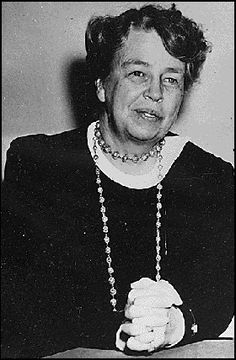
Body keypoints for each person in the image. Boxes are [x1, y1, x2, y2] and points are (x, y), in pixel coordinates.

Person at [1, 3, 234, 358]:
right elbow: (22, 304)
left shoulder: (211, 178)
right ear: (101, 84)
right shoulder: (38, 165)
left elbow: (221, 289)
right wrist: (118, 330)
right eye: (138, 73)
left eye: (171, 78)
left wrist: (178, 325)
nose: (155, 92)